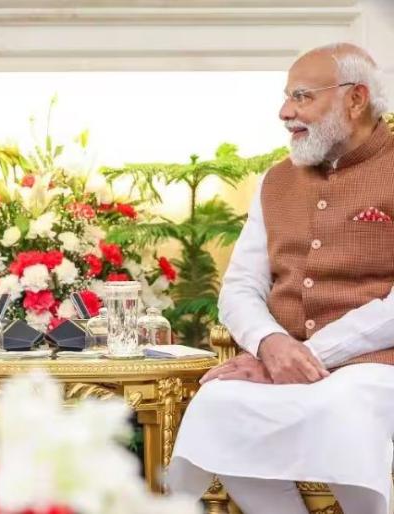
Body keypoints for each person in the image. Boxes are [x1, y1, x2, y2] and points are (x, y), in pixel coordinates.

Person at [168, 43, 394, 514]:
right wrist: (270, 344)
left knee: (341, 406)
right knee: (218, 404)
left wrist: (303, 358)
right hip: (281, 359)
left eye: (302, 96)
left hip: (377, 367)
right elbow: (240, 287)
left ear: (355, 99)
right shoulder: (276, 180)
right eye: (287, 96)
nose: (285, 112)